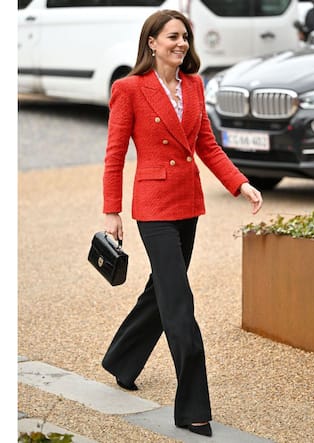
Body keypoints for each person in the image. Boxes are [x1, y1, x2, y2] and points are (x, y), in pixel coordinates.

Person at [101, 9, 263, 438]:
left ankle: (120, 358)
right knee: (179, 305)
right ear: (151, 42)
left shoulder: (193, 85)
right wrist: (111, 211)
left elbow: (206, 144)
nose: (182, 43)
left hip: (187, 205)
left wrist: (240, 184)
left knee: (162, 291)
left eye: (185, 37)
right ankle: (193, 409)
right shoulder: (129, 89)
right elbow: (115, 154)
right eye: (173, 36)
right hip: (153, 210)